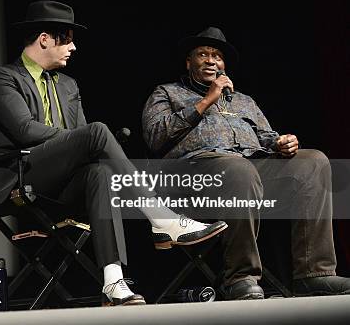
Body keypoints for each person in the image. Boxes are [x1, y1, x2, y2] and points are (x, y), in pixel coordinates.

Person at [0, 0, 227, 306]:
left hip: (62, 184)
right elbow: (25, 131)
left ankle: (113, 282)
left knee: (100, 172)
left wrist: (86, 141)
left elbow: (84, 146)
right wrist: (85, 139)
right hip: (17, 178)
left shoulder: (68, 85)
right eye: (67, 39)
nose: (73, 47)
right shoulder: (2, 77)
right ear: (44, 39)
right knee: (98, 132)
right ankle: (161, 218)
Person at [142, 26, 350, 299]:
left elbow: (265, 137)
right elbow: (155, 137)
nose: (211, 60)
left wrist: (281, 143)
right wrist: (206, 101)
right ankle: (240, 277)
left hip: (250, 170)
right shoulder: (167, 93)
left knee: (313, 161)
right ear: (188, 62)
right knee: (237, 168)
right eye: (202, 54)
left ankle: (315, 275)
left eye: (217, 56)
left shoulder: (244, 101)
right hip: (195, 176)